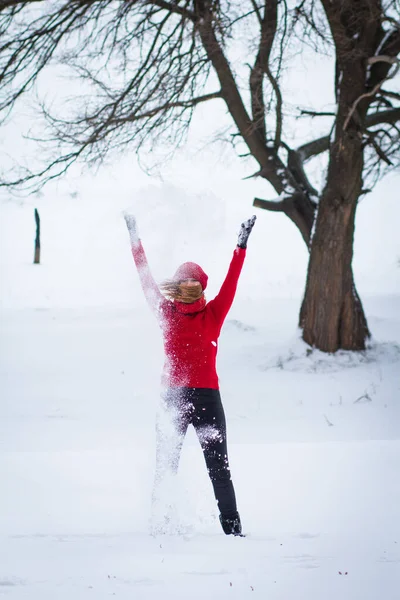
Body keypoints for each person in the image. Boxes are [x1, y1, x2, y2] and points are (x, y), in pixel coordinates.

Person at [124, 213, 256, 536]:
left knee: (219, 470)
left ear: (200, 288)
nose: (187, 287)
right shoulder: (165, 312)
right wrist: (134, 239)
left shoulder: (214, 313)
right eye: (182, 283)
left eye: (192, 283)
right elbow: (145, 280)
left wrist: (241, 246)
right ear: (176, 287)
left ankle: (234, 531)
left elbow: (232, 282)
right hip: (173, 398)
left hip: (208, 398)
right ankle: (161, 527)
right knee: (165, 467)